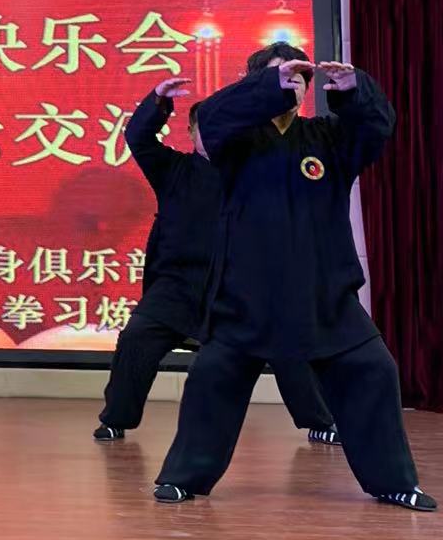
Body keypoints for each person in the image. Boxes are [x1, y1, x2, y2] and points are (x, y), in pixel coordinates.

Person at [154, 42, 436, 510]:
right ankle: (184, 478)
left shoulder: (328, 138)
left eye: (297, 78)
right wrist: (268, 88)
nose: (291, 85)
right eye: (278, 76)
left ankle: (393, 482)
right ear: (255, 84)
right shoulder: (232, 141)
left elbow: (376, 128)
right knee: (211, 378)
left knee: (373, 370)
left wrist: (354, 91)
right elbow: (214, 116)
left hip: (324, 296)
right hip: (245, 298)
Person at [96, 77, 336, 444]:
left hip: (240, 286)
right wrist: (159, 102)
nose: (209, 135)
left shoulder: (252, 171)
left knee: (286, 342)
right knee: (137, 338)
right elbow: (138, 139)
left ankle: (318, 420)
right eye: (200, 128)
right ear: (191, 132)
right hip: (177, 286)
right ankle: (117, 418)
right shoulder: (172, 169)